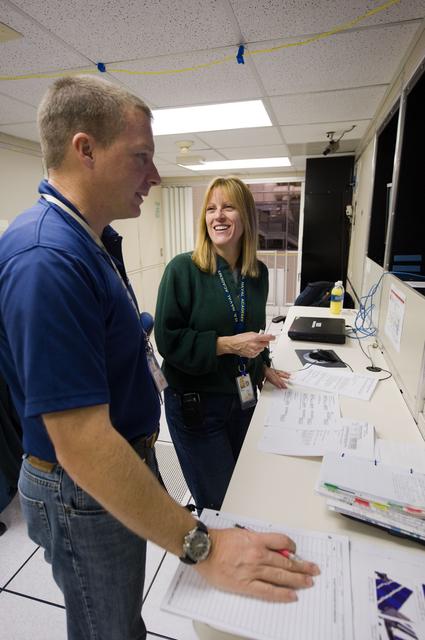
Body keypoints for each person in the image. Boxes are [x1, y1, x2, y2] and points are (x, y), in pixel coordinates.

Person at [0, 76, 319, 640]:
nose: (155, 174)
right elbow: (81, 441)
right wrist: (202, 544)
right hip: (81, 488)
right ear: (86, 149)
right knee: (111, 630)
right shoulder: (48, 257)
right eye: (142, 156)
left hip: (124, 456)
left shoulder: (93, 240)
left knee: (124, 620)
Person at [155, 176, 291, 513]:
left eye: (228, 207)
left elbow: (251, 329)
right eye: (211, 208)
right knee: (221, 506)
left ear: (246, 216)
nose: (219, 216)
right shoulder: (182, 269)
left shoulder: (257, 272)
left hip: (241, 400)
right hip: (196, 406)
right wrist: (228, 345)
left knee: (244, 490)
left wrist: (263, 364)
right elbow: (168, 341)